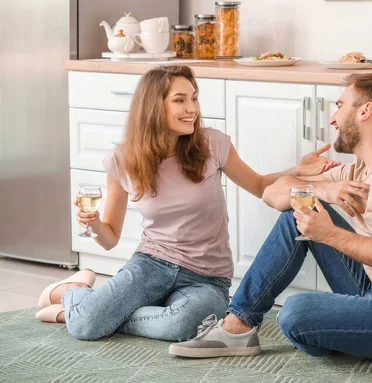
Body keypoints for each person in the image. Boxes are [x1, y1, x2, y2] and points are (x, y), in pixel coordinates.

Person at [169, 72, 372, 362]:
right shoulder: (357, 170)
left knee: (295, 313)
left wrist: (329, 233)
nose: (333, 119)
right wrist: (322, 188)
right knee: (295, 215)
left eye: (339, 106)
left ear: (365, 111)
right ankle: (238, 326)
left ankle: (337, 332)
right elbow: (273, 193)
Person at [34, 65, 339, 342]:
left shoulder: (212, 144)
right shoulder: (123, 161)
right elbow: (110, 238)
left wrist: (296, 171)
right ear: (154, 106)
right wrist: (95, 224)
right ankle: (76, 293)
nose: (191, 108)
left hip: (207, 278)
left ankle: (95, 308)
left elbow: (259, 185)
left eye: (194, 98)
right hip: (151, 265)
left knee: (184, 325)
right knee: (85, 327)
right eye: (180, 100)